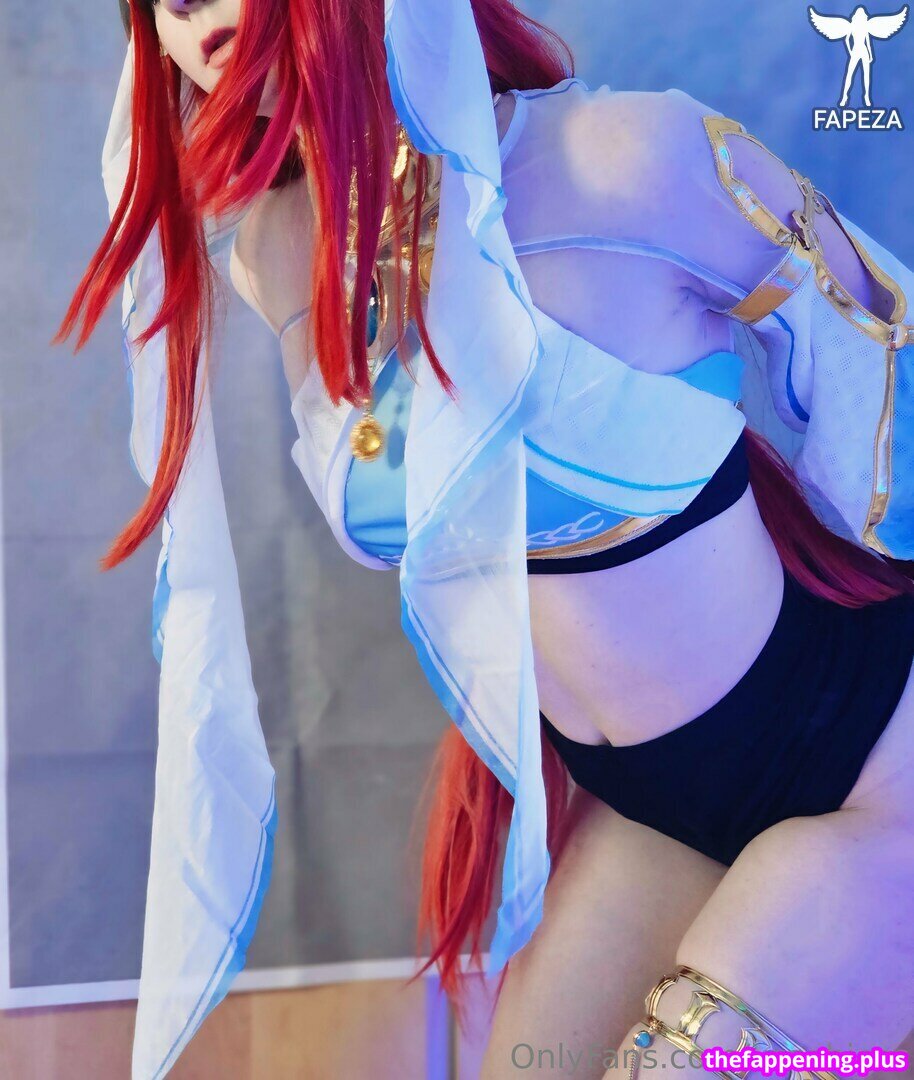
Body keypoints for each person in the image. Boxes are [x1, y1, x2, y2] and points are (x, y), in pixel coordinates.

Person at [55, 0, 914, 1077]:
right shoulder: (282, 249)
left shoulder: (625, 157)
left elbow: (886, 357)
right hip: (654, 809)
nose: (180, 6)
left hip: (875, 765)